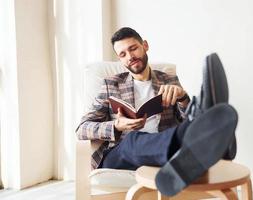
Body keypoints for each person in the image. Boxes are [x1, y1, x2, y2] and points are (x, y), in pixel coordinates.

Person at [76, 27, 237, 196]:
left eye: (133, 48)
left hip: (162, 146)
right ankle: (213, 131)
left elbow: (182, 118)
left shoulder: (168, 79)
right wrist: (116, 125)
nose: (130, 57)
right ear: (119, 59)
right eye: (123, 54)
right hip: (121, 153)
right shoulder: (110, 84)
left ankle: (203, 133)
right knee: (132, 139)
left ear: (145, 45)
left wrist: (182, 98)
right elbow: (82, 128)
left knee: (183, 128)